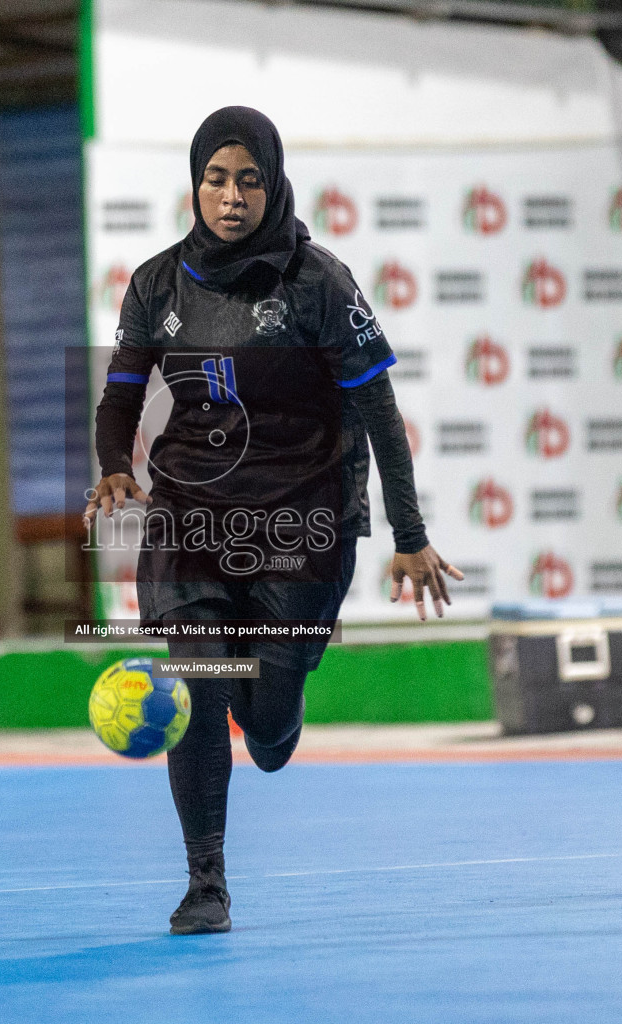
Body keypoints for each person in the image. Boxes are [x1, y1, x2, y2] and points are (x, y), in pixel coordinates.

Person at [84, 107, 463, 934]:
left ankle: (277, 706)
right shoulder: (156, 283)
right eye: (215, 179)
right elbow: (121, 393)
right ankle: (206, 883)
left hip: (304, 519)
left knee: (265, 727)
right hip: (191, 516)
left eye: (247, 179)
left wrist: (409, 535)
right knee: (193, 678)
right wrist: (116, 466)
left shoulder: (318, 283)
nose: (229, 196)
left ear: (273, 183)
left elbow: (380, 410)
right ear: (195, 185)